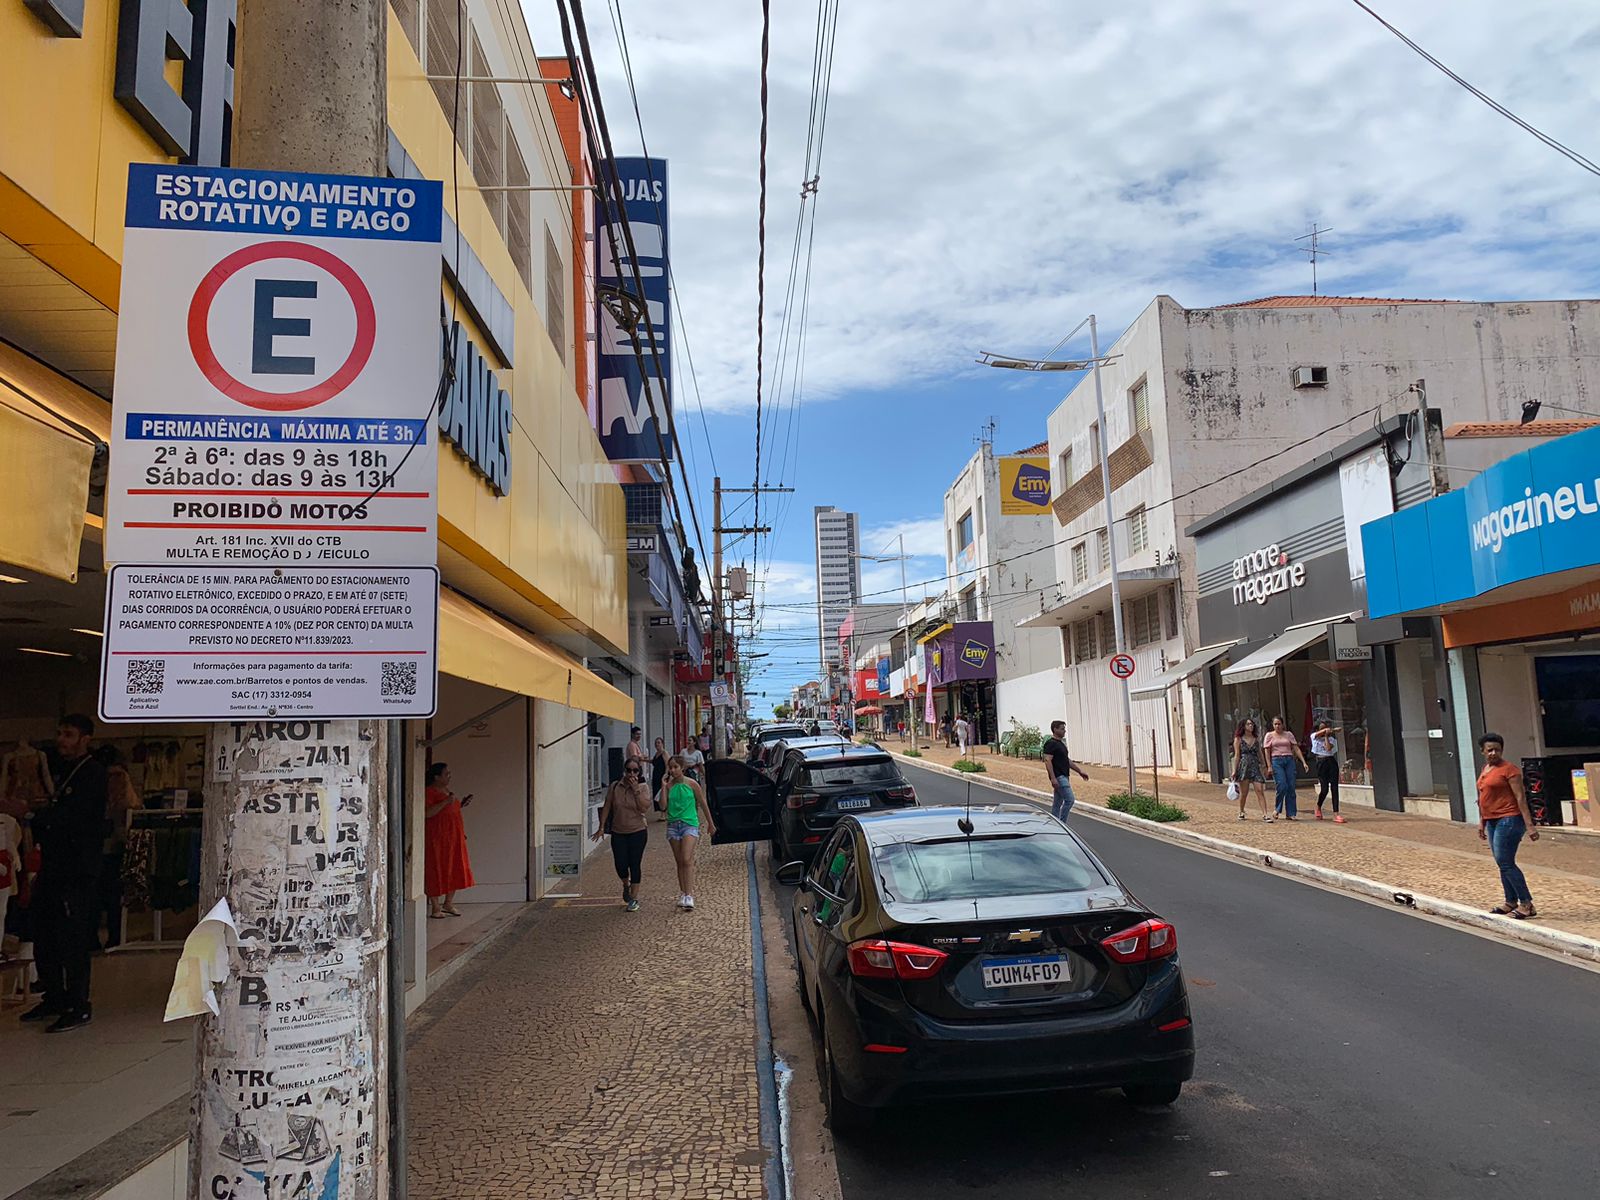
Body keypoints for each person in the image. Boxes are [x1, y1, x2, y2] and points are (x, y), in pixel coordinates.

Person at [24, 714, 106, 1032]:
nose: (62, 740)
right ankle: (54, 995)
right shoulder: (59, 772)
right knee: (45, 933)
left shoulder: (92, 774)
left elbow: (74, 818)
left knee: (72, 937)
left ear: (85, 738)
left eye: (69, 734)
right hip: (53, 868)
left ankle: (77, 1003)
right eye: (59, 733)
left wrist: (35, 814)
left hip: (77, 870)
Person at [1476, 733, 1539, 919]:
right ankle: (1510, 901)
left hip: (1509, 819)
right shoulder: (1485, 769)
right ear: (1483, 751)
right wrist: (1482, 822)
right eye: (1490, 750)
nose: (1493, 753)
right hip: (1492, 820)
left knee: (1505, 861)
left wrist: (1530, 825)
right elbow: (1482, 798)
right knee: (1501, 863)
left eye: (1497, 749)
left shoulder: (1510, 770)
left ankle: (1526, 903)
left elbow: (1521, 798)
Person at [593, 757, 652, 911]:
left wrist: (636, 790)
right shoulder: (615, 786)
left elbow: (644, 808)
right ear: (624, 771)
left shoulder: (643, 787)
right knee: (620, 864)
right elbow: (607, 806)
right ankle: (625, 884)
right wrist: (601, 827)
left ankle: (634, 898)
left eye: (635, 770)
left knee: (635, 864)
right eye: (629, 770)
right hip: (618, 831)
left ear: (639, 772)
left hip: (638, 831)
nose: (631, 773)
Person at [662, 756, 716, 910]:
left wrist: (711, 824)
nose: (672, 770)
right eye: (670, 768)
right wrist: (664, 787)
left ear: (682, 768)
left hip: (689, 824)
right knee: (679, 861)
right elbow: (663, 806)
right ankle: (683, 893)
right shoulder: (669, 786)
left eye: (675, 767)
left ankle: (689, 894)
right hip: (673, 825)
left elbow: (703, 803)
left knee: (686, 859)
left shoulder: (692, 784)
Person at [424, 763, 474, 919]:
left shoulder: (447, 792)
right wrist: (446, 802)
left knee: (455, 868)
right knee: (435, 868)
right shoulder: (429, 792)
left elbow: (450, 812)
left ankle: (448, 902)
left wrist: (460, 804)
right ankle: (435, 906)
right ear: (436, 777)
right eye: (446, 774)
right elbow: (427, 813)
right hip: (437, 837)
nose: (449, 776)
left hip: (454, 836)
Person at [1042, 720, 1091, 822]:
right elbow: (1047, 761)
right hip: (1059, 777)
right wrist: (1053, 778)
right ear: (1055, 729)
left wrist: (1079, 771)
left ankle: (1054, 823)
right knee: (1069, 800)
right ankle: (1062, 823)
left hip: (1064, 776)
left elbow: (1066, 760)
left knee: (1057, 803)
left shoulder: (1061, 744)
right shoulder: (1050, 744)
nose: (1064, 731)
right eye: (1062, 729)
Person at [1262, 716, 1308, 820]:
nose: (1277, 726)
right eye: (1275, 724)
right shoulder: (1269, 735)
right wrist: (1269, 766)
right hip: (1276, 760)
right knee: (1282, 785)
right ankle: (1277, 809)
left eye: (1279, 724)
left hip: (1289, 760)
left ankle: (1291, 812)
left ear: (1282, 724)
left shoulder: (1288, 734)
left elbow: (1295, 748)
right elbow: (1267, 751)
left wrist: (1303, 762)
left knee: (1291, 786)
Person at [1232, 718, 1272, 822]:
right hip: (1244, 766)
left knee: (1259, 790)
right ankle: (1241, 810)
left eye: (1251, 724)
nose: (1251, 725)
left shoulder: (1256, 739)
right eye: (1248, 724)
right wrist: (1234, 770)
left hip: (1255, 766)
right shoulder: (1239, 739)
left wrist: (1264, 766)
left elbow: (1260, 753)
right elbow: (1237, 756)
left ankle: (1265, 814)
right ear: (1243, 726)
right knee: (1244, 793)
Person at [1311, 721, 1346, 824]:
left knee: (1334, 787)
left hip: (1331, 761)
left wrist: (1327, 735)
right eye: (1321, 728)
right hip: (1321, 763)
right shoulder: (1314, 737)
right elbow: (1317, 734)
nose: (1324, 730)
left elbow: (1328, 748)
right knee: (1324, 789)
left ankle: (1336, 813)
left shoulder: (1332, 740)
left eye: (1325, 728)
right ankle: (1318, 806)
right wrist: (1325, 731)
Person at [649, 737, 669, 821]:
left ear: (662, 743)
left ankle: (663, 814)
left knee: (662, 794)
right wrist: (643, 760)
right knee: (656, 794)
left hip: (662, 776)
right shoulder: (657, 753)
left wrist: (666, 774)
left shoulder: (664, 753)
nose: (657, 744)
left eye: (658, 742)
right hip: (655, 776)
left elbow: (667, 764)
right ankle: (662, 812)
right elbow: (653, 761)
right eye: (656, 743)